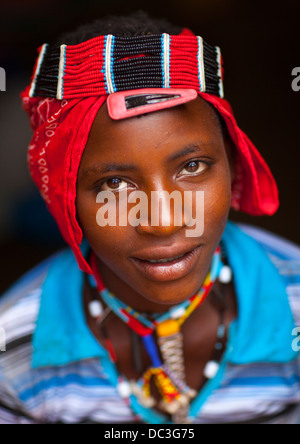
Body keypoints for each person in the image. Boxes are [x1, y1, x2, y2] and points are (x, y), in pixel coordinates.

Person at [0, 10, 299, 425]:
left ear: (232, 164)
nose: (163, 220)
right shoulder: (12, 352)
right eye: (114, 183)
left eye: (192, 166)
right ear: (64, 198)